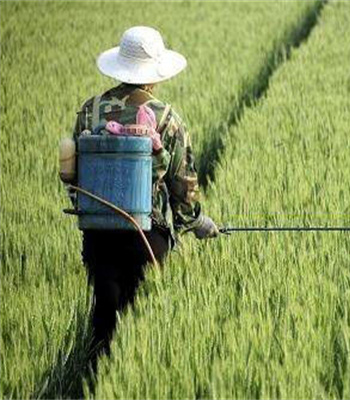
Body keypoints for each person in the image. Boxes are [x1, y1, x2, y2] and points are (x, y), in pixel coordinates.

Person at [70, 26, 219, 355]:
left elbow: (73, 173)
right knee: (142, 325)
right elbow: (183, 183)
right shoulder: (167, 118)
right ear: (155, 75)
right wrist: (196, 221)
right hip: (146, 234)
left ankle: (96, 381)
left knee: (105, 318)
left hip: (98, 234)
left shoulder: (90, 111)